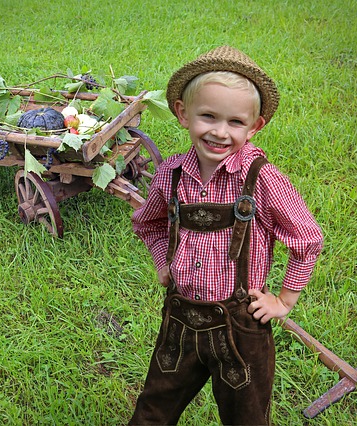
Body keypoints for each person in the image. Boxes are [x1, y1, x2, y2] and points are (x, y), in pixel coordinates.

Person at [128, 46, 324, 425]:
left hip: (241, 327)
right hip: (181, 320)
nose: (220, 131)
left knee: (246, 417)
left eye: (235, 122)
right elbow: (147, 223)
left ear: (255, 126)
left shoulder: (263, 180)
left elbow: (307, 239)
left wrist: (283, 300)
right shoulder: (171, 174)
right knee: (153, 410)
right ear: (184, 114)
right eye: (208, 116)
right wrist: (162, 263)